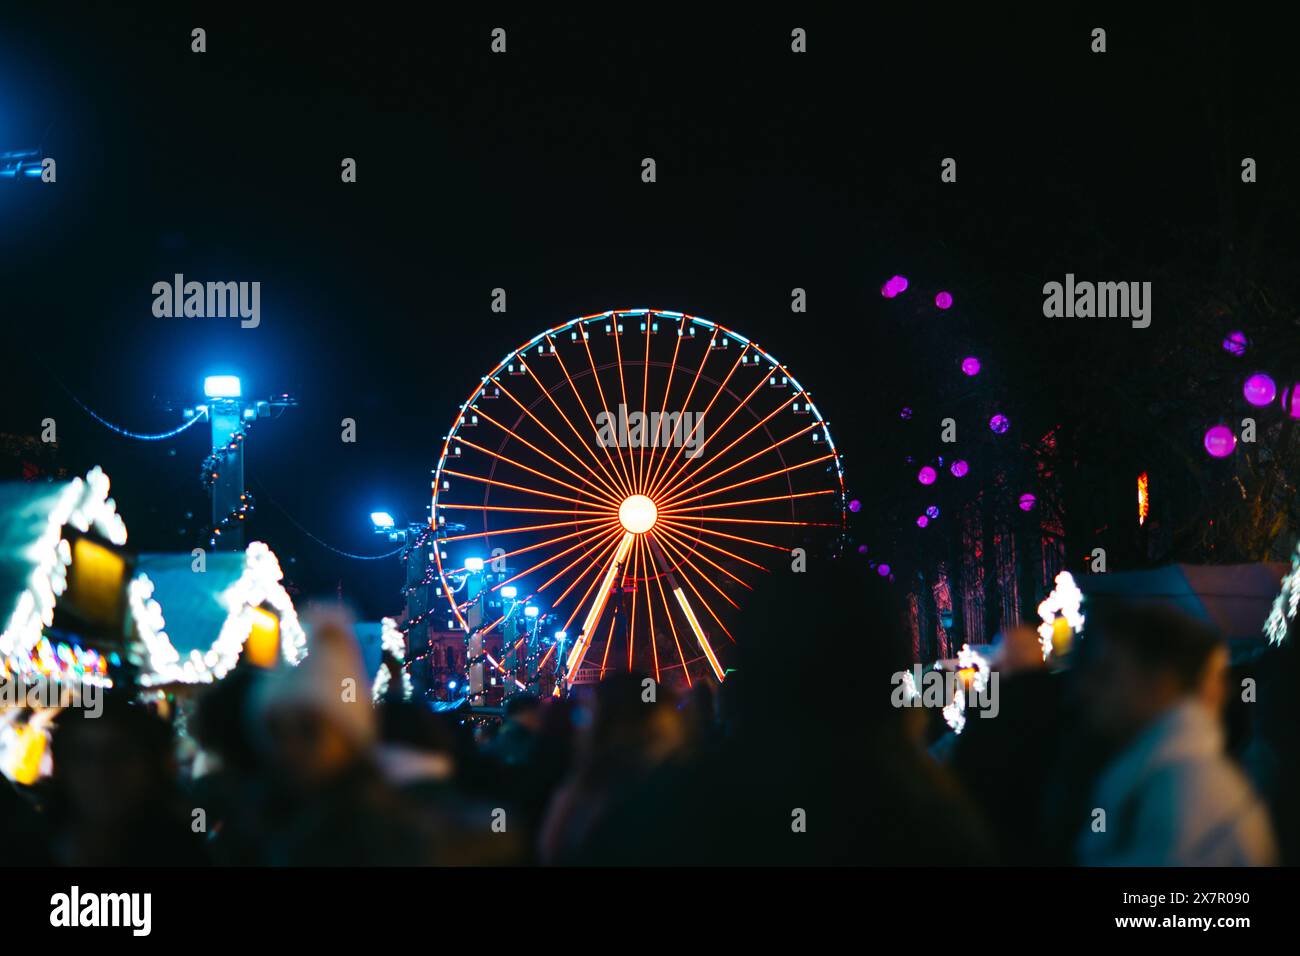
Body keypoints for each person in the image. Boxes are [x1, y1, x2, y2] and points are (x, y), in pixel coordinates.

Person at [1073, 603, 1277, 866]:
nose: (1084, 689)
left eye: (1107, 672)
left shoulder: (1185, 789)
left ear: (1161, 679)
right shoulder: (1163, 775)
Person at [46, 695, 209, 866]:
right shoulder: (31, 843)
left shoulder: (181, 851)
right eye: (82, 756)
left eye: (119, 754)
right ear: (61, 766)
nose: (101, 771)